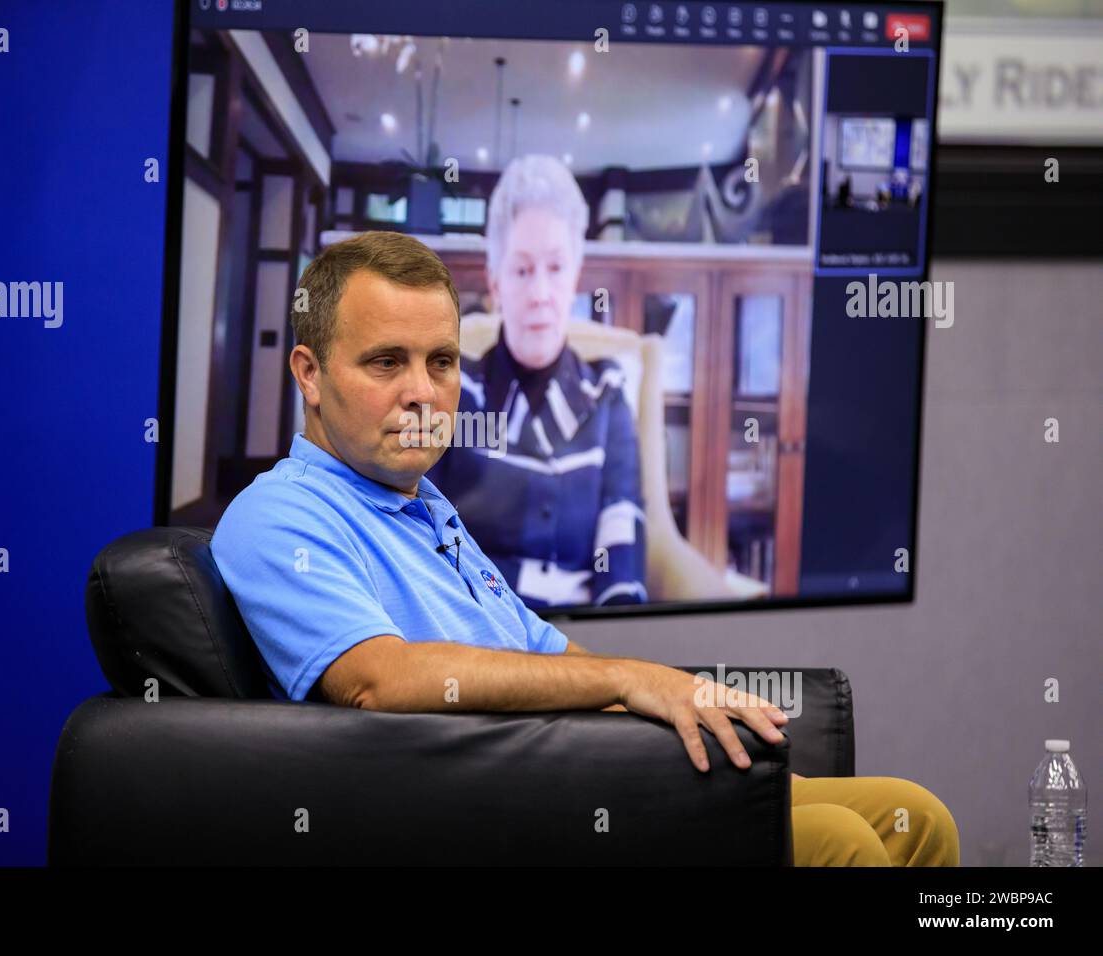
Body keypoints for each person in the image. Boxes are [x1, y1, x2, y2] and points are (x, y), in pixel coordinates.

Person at [210, 229, 959, 867]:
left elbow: (538, 647)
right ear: (308, 373)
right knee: (837, 842)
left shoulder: (423, 504)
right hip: (501, 811)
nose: (424, 392)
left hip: (585, 766)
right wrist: (627, 681)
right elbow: (377, 680)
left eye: (441, 362)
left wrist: (670, 694)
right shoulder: (277, 514)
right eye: (386, 362)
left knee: (914, 817)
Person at [425, 153, 645, 610]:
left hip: (583, 646)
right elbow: (422, 532)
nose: (540, 294)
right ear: (496, 283)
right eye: (522, 270)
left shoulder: (607, 395)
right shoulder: (454, 392)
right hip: (471, 632)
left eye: (556, 268)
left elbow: (621, 538)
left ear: (575, 279)